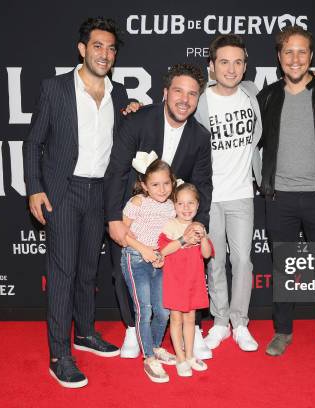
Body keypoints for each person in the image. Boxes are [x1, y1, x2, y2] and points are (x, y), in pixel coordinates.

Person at [23, 17, 127, 388]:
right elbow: (34, 142)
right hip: (63, 192)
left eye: (111, 48)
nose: (105, 53)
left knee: (87, 272)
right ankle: (59, 354)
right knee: (64, 274)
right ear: (82, 49)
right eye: (98, 46)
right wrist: (35, 187)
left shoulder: (118, 95)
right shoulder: (56, 89)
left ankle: (84, 334)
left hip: (99, 193)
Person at [104, 63, 214, 359]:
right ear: (166, 92)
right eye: (178, 90)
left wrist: (198, 225)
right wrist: (114, 218)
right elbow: (116, 171)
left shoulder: (201, 138)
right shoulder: (138, 121)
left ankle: (194, 329)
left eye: (192, 94)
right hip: (135, 213)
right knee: (124, 270)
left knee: (182, 273)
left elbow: (203, 185)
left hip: (171, 221)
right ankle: (130, 327)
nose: (184, 99)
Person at [257, 26, 315, 357]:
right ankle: (282, 331)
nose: (295, 59)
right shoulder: (266, 97)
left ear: (311, 56)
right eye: (288, 52)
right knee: (283, 268)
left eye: (302, 52)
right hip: (279, 197)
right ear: (279, 57)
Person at [193, 34, 262, 352]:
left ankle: (240, 322)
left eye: (238, 62)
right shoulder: (199, 101)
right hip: (209, 197)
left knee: (244, 261)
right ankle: (220, 322)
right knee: (215, 262)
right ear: (211, 66)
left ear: (245, 66)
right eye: (224, 62)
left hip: (242, 194)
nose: (231, 68)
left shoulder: (252, 94)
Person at [120, 158, 177, 383]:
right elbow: (121, 233)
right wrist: (143, 249)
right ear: (144, 185)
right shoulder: (137, 202)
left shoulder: (173, 207)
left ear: (172, 183)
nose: (161, 189)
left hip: (159, 261)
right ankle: (148, 357)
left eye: (166, 183)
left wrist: (162, 254)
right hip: (135, 259)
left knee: (163, 311)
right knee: (144, 309)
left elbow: (169, 236)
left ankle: (155, 346)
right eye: (155, 185)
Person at [158, 183, 214, 376]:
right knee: (176, 319)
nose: (186, 208)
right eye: (181, 203)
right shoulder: (169, 226)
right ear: (174, 206)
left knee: (190, 319)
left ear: (198, 206)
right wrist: (183, 239)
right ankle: (180, 357)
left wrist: (203, 237)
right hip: (174, 281)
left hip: (193, 282)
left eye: (190, 203)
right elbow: (162, 251)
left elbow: (207, 254)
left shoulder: (198, 227)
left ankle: (190, 355)